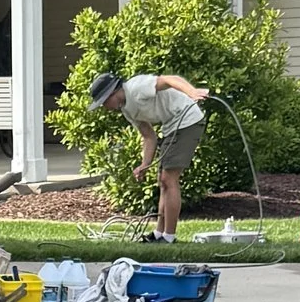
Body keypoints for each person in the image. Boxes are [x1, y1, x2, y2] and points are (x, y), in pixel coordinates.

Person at [90, 69, 210, 235]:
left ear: (113, 92)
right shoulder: (127, 110)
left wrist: (192, 92)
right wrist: (144, 165)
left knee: (169, 178)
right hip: (171, 126)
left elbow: (170, 79)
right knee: (162, 181)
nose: (104, 107)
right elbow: (148, 136)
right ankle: (159, 233)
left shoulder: (136, 87)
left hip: (187, 119)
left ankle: (169, 236)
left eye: (104, 102)